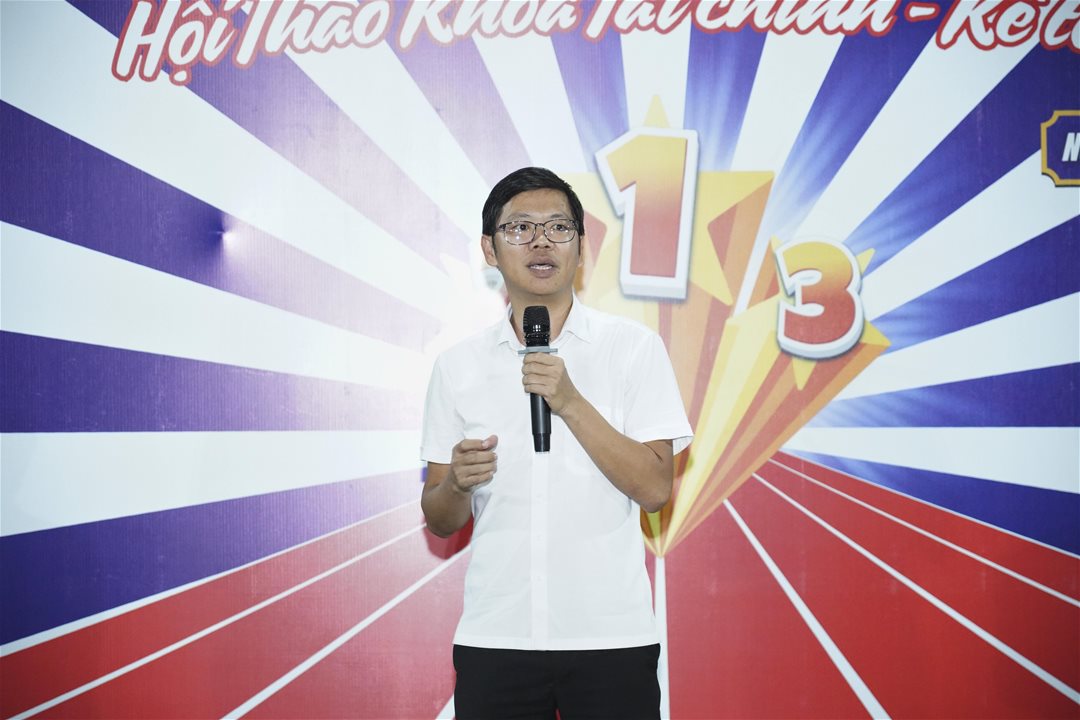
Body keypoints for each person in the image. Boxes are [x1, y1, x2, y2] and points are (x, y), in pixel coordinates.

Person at [420, 167, 692, 719]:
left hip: (611, 639)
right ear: (490, 250)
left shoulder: (633, 350)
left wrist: (568, 401)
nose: (541, 241)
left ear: (581, 247)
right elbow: (440, 519)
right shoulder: (457, 367)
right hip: (498, 638)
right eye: (520, 227)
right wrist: (456, 485)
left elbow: (655, 488)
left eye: (559, 228)